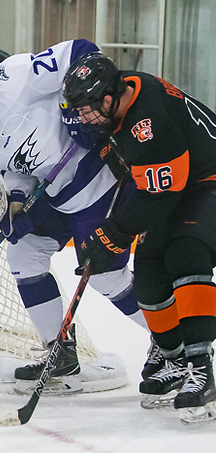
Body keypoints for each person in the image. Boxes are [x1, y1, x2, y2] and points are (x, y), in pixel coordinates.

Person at [0, 42, 152, 391]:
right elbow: (17, 168)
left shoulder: (16, 77)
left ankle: (173, 341)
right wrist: (16, 200)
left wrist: (77, 109)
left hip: (97, 182)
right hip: (54, 195)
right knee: (23, 252)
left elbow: (82, 52)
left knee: (105, 275)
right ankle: (59, 352)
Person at [63, 53, 216, 423]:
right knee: (147, 269)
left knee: (185, 253)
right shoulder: (121, 92)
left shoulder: (150, 120)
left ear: (109, 98)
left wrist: (114, 233)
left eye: (87, 109)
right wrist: (111, 233)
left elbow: (163, 192)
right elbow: (145, 181)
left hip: (208, 180)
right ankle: (174, 357)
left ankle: (200, 365)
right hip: (178, 185)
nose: (82, 117)